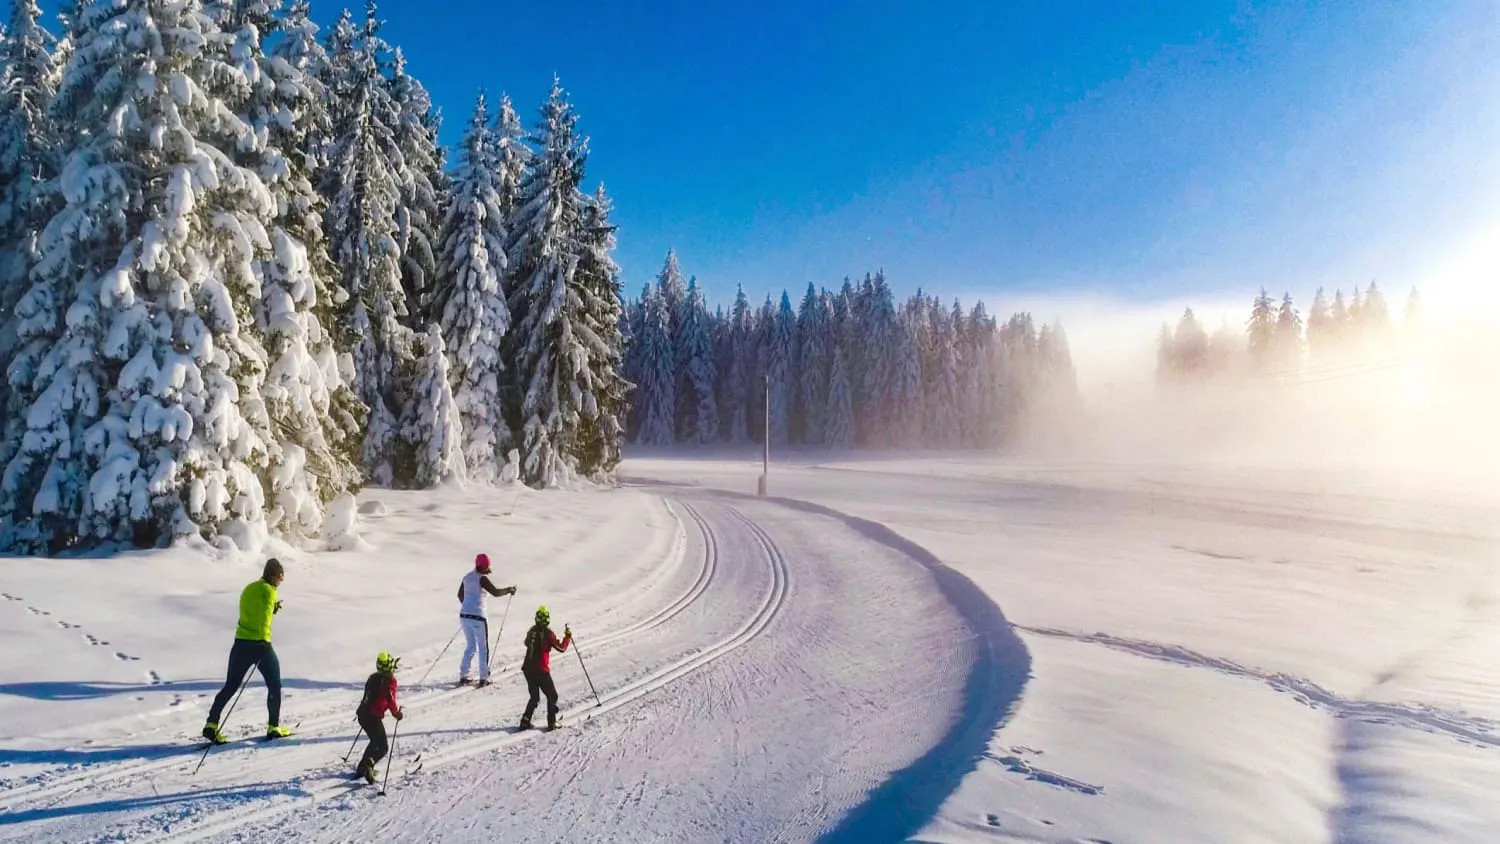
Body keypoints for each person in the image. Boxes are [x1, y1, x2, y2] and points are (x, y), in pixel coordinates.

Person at [202, 558, 290, 744]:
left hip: (240, 643)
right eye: (280, 578)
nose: (280, 582)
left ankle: (211, 724)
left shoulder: (249, 588)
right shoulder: (269, 591)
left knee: (231, 686)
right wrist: (271, 610)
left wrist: (270, 608)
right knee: (274, 685)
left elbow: (253, 610)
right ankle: (273, 727)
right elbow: (265, 616)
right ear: (274, 575)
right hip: (260, 645)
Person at [456, 553, 516, 687]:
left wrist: (467, 607)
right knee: (483, 647)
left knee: (470, 646)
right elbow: (495, 592)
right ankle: (484, 677)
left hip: (464, 615)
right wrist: (509, 590)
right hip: (479, 616)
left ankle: (464, 675)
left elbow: (459, 595)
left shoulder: (466, 577)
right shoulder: (482, 579)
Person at [354, 652, 404, 784]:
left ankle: (362, 768)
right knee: (383, 747)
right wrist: (396, 714)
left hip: (362, 714)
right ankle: (368, 765)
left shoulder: (372, 678)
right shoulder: (390, 682)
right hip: (372, 717)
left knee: (374, 741)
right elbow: (391, 699)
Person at [519, 605, 571, 731]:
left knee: (535, 697)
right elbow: (561, 648)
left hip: (528, 669)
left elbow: (526, 642)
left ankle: (525, 720)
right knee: (552, 695)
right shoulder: (549, 634)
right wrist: (567, 637)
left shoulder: (531, 631)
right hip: (541, 670)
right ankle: (551, 722)